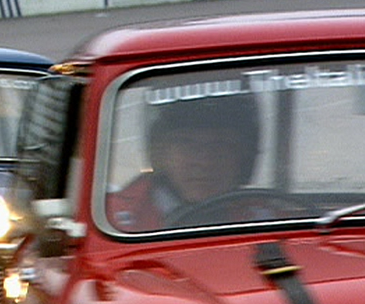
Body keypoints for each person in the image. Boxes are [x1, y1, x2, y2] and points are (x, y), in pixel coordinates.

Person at [107, 95, 261, 232]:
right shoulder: (112, 221)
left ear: (244, 155)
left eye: (220, 144)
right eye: (186, 143)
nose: (204, 161)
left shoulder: (270, 218)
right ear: (160, 152)